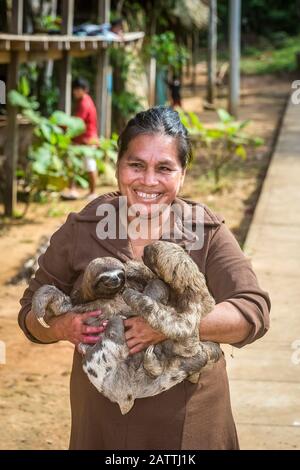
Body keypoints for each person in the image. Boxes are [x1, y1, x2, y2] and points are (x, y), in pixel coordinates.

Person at [18, 106, 270, 450]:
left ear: (182, 174)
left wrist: (170, 323)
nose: (148, 180)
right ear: (119, 164)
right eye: (136, 165)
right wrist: (61, 327)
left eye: (164, 168)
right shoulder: (83, 228)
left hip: (190, 422)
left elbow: (252, 312)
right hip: (102, 422)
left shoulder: (205, 231)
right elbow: (29, 316)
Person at [61, 78, 99, 201]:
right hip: (84, 139)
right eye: (75, 89)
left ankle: (91, 192)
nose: (75, 92)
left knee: (88, 165)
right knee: (77, 164)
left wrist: (63, 126)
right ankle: (75, 190)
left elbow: (77, 123)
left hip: (87, 140)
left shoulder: (84, 103)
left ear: (84, 90)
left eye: (78, 89)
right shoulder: (85, 101)